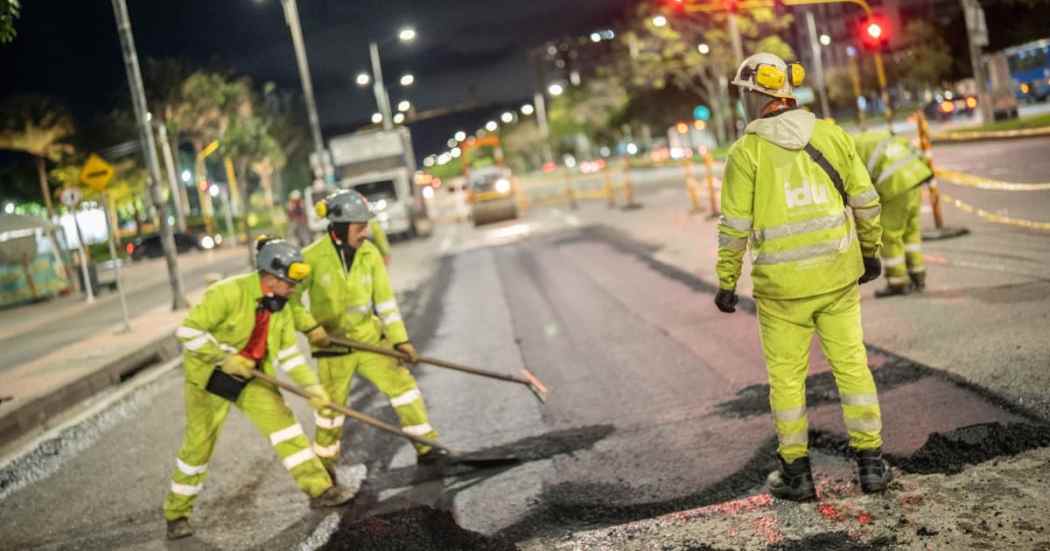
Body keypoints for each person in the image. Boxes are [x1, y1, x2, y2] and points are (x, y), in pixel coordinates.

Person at [714, 53, 892, 501]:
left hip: (782, 291)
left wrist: (727, 281)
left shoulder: (746, 152)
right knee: (851, 366)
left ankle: (797, 473)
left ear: (755, 95)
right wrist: (870, 252)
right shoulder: (831, 135)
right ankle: (871, 466)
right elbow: (866, 201)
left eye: (744, 94)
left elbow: (734, 227)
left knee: (787, 379)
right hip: (837, 277)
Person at [163, 238, 358, 540]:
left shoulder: (281, 307)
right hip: (209, 377)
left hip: (252, 375)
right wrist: (224, 358)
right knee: (198, 445)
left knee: (285, 426)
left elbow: (290, 355)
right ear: (271, 277)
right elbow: (187, 332)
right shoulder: (227, 293)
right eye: (290, 283)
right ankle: (176, 514)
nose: (294, 289)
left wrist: (312, 388)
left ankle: (320, 489)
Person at [290, 190, 445, 480]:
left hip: (369, 339)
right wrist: (310, 327)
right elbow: (291, 301)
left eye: (366, 226)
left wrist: (400, 340)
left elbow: (385, 303)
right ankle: (323, 469)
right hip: (333, 347)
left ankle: (428, 448)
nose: (365, 232)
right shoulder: (311, 258)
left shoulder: (370, 254)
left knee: (404, 389)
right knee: (330, 411)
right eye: (359, 227)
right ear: (338, 228)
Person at [853, 130, 933, 297]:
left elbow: (855, 183)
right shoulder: (875, 136)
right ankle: (917, 274)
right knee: (911, 230)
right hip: (915, 176)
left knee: (890, 235)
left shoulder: (848, 149)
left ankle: (898, 281)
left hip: (895, 184)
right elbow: (912, 149)